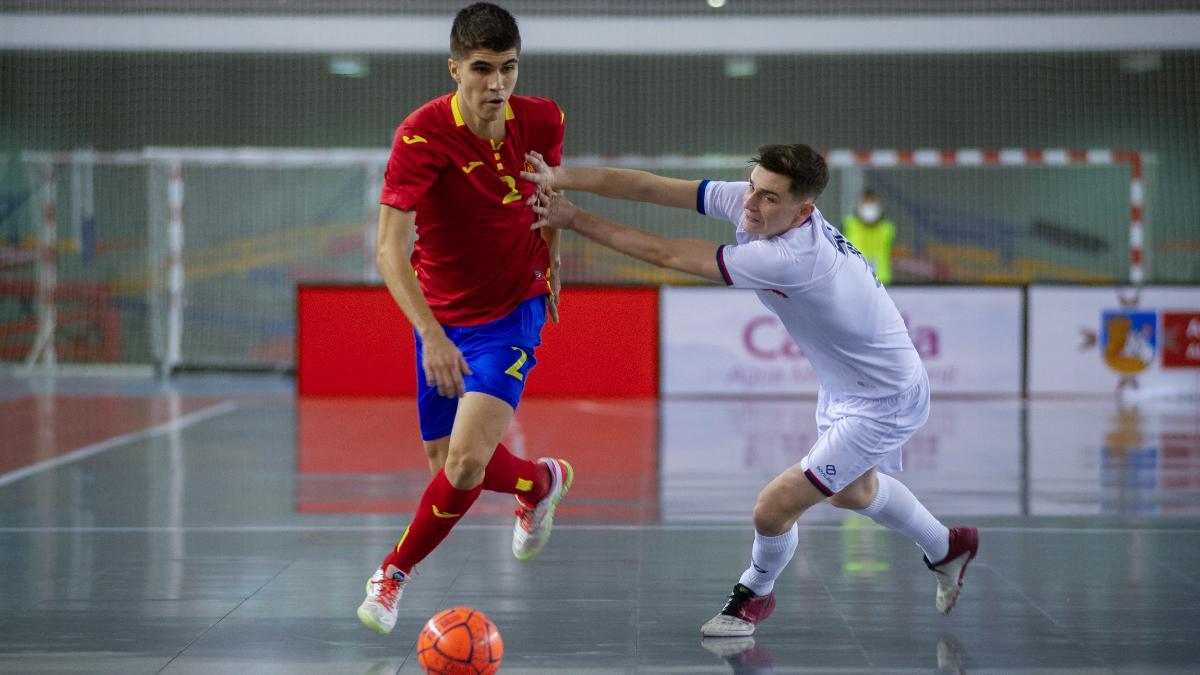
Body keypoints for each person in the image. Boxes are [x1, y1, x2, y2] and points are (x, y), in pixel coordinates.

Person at [522, 144, 978, 637]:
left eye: (769, 198)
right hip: (850, 385)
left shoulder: (791, 258)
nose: (751, 204)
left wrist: (573, 218)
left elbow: (666, 253)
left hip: (884, 399)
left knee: (773, 508)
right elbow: (653, 186)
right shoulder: (759, 203)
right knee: (854, 493)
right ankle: (948, 546)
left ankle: (753, 596)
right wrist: (562, 175)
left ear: (804, 211)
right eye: (753, 187)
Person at [356, 2, 573, 636]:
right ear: (455, 69)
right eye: (481, 69)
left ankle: (390, 575)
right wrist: (429, 334)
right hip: (440, 314)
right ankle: (538, 482)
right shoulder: (421, 135)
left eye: (508, 68)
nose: (496, 85)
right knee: (446, 462)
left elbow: (548, 198)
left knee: (463, 467)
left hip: (511, 309)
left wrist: (553, 266)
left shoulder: (544, 119)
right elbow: (388, 249)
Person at [841, 188, 895, 285]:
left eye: (873, 203)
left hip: (883, 283)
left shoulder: (888, 228)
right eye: (866, 203)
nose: (869, 207)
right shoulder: (848, 225)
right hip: (855, 281)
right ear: (859, 206)